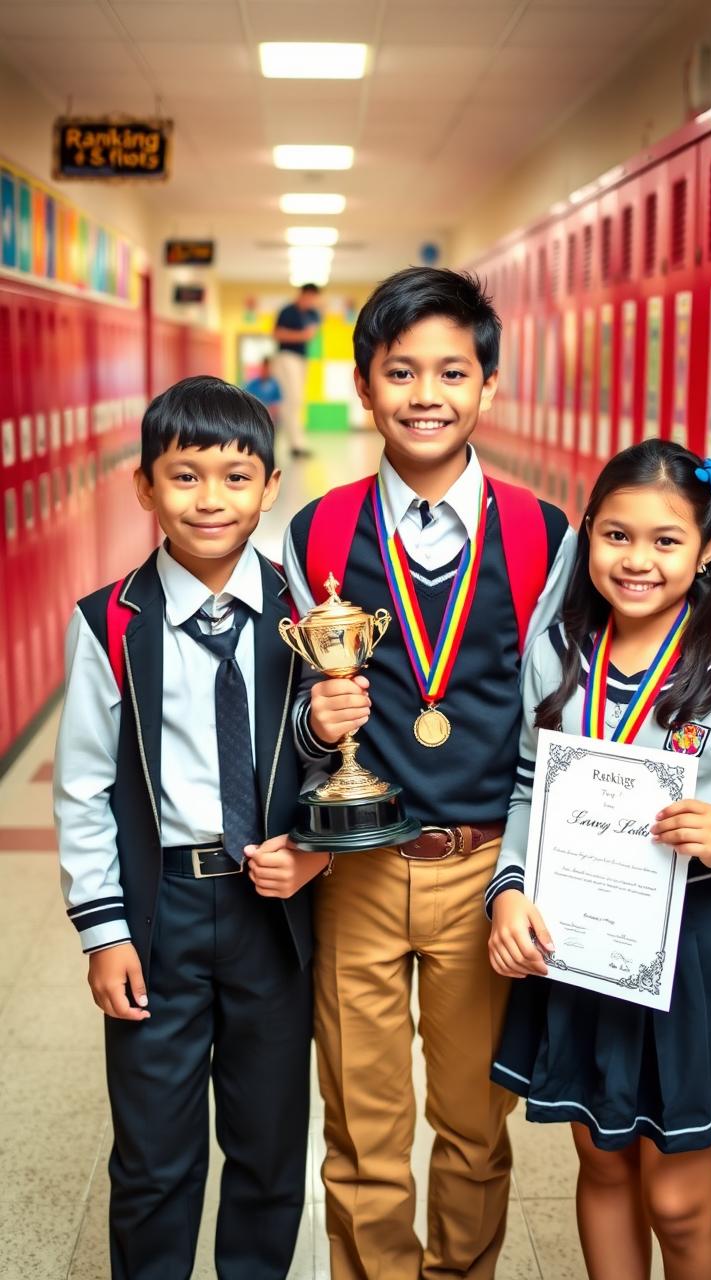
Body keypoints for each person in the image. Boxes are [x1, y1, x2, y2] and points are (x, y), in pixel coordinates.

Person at [282, 266, 576, 1280]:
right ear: (363, 387)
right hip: (357, 869)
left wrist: (527, 876)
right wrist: (322, 732)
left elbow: (562, 719)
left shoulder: (544, 535)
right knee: (363, 1133)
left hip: (484, 871)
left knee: (471, 1127)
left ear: (488, 387)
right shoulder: (315, 532)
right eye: (399, 370)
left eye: (451, 370)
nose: (424, 392)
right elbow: (284, 723)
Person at [486, 440, 711, 1280]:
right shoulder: (559, 652)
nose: (637, 560)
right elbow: (529, 795)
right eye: (616, 535)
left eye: (665, 541)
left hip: (691, 952)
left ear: (708, 550)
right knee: (602, 1165)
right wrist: (507, 889)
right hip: (576, 942)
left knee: (677, 1203)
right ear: (589, 538)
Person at [53, 375, 332, 1280]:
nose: (211, 499)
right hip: (159, 910)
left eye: (235, 476)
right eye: (184, 476)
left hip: (273, 916)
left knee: (267, 1150)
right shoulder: (110, 622)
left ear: (269, 485)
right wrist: (104, 932)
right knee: (152, 1158)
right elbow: (84, 786)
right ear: (144, 486)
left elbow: (344, 766)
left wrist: (317, 853)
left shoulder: (308, 617)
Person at [274, 282, 322, 459]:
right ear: (302, 294)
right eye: (309, 297)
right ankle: (295, 444)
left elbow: (313, 332)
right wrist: (301, 336)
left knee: (297, 401)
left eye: (314, 298)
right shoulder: (287, 311)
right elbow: (278, 334)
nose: (311, 301)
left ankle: (295, 443)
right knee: (291, 400)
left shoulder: (313, 313)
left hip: (302, 359)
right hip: (286, 357)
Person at [245, 355, 282, 431]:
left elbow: (277, 403)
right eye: (264, 368)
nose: (266, 371)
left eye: (268, 368)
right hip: (257, 416)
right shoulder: (253, 384)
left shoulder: (274, 384)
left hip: (270, 418)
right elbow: (246, 398)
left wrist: (272, 412)